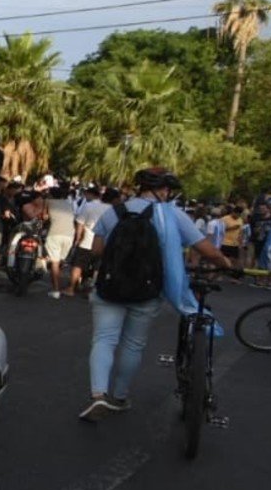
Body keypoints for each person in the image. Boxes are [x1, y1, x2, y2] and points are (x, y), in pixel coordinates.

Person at [80, 167, 233, 422]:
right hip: (147, 291)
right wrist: (225, 264)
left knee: (104, 340)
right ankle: (119, 396)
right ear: (163, 190)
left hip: (110, 287)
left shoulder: (114, 211)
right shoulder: (173, 215)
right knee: (133, 344)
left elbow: (96, 250)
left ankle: (98, 395)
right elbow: (206, 249)